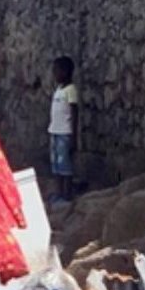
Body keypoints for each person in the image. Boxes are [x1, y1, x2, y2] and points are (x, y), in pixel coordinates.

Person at [48, 56, 79, 202]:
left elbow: (74, 112)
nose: (54, 74)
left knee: (65, 165)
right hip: (54, 131)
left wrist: (73, 137)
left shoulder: (70, 90)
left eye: (56, 71)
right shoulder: (59, 89)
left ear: (65, 72)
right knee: (56, 165)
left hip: (65, 133)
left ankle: (67, 194)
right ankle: (58, 192)